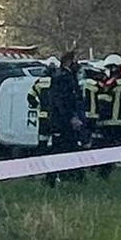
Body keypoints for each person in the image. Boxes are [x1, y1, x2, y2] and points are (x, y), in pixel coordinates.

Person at [42, 52, 86, 186]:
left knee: (70, 148)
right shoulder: (62, 78)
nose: (77, 65)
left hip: (65, 121)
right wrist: (72, 117)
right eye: (75, 61)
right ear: (68, 62)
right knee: (60, 149)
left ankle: (73, 177)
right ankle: (53, 178)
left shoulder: (67, 76)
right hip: (62, 122)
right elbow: (62, 101)